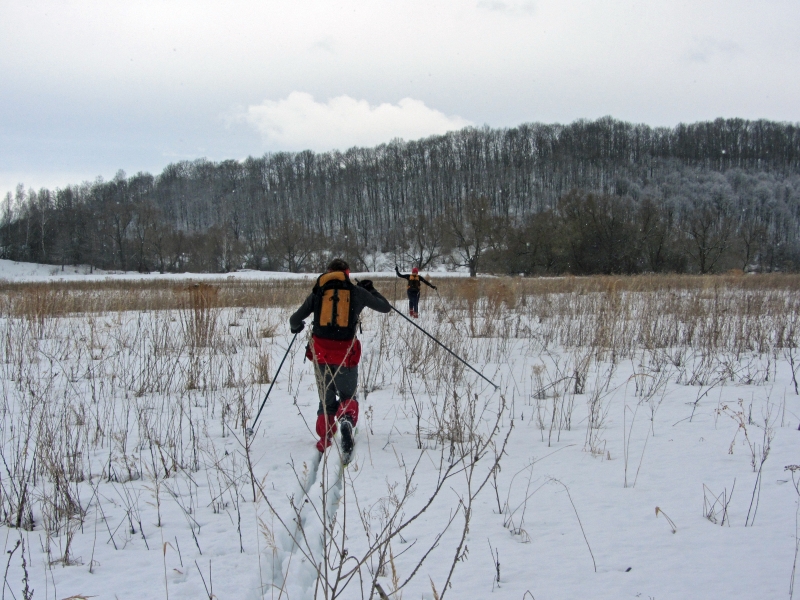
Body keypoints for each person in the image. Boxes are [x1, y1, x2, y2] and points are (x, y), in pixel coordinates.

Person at [289, 259, 391, 458]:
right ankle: (346, 421)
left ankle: (325, 436)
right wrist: (371, 290)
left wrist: (296, 327)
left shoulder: (318, 292)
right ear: (347, 272)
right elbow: (385, 307)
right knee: (347, 395)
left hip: (320, 355)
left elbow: (294, 319)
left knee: (325, 398)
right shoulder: (356, 292)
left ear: (328, 272)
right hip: (346, 354)